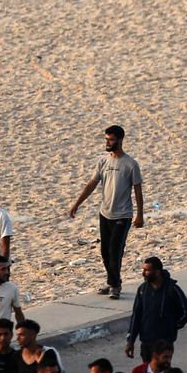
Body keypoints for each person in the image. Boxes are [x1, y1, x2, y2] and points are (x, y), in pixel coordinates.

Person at [67, 125, 144, 300]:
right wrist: (77, 203)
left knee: (115, 250)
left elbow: (138, 191)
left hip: (123, 215)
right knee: (105, 251)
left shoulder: (131, 164)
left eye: (111, 139)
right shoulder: (103, 161)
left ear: (120, 140)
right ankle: (112, 282)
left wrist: (140, 215)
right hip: (105, 213)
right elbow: (92, 184)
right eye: (106, 139)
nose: (108, 142)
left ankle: (115, 285)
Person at [124, 256, 187, 362]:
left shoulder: (172, 289)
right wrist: (131, 341)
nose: (143, 273)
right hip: (146, 341)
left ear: (157, 272)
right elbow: (136, 315)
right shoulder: (143, 289)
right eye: (143, 270)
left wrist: (174, 326)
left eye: (147, 270)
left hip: (164, 343)